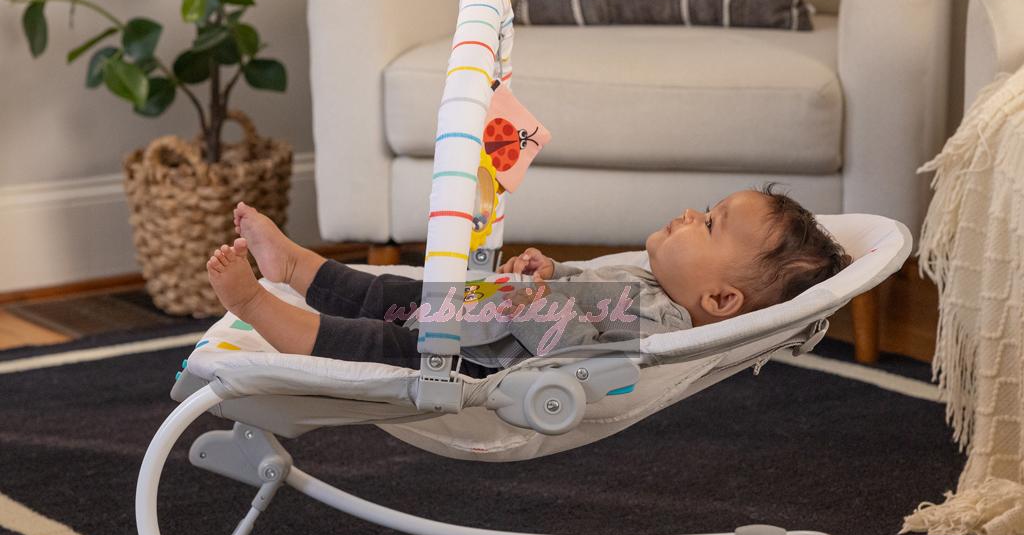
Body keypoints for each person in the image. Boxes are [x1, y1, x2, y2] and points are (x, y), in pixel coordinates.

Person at [205, 182, 850, 377]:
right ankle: (295, 265)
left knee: (373, 341)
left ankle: (261, 306)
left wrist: (533, 305)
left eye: (708, 224)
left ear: (721, 298)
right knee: (387, 294)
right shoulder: (648, 278)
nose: (689, 214)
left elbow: (583, 353)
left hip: (477, 357)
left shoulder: (667, 325)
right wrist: (551, 271)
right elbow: (587, 290)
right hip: (484, 312)